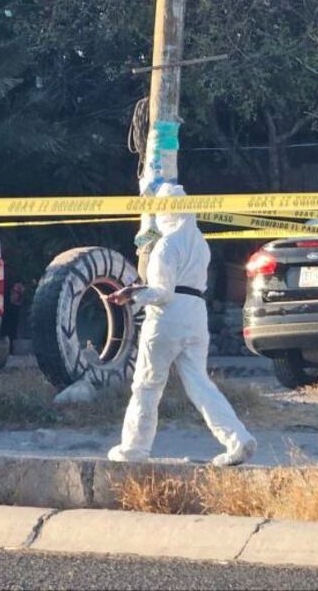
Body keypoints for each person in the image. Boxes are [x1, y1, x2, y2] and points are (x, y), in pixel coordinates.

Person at [106, 183, 257, 467]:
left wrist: (132, 294)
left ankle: (134, 449)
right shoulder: (201, 243)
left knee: (147, 386)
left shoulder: (166, 246)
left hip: (168, 317)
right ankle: (238, 438)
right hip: (196, 315)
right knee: (201, 384)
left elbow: (162, 292)